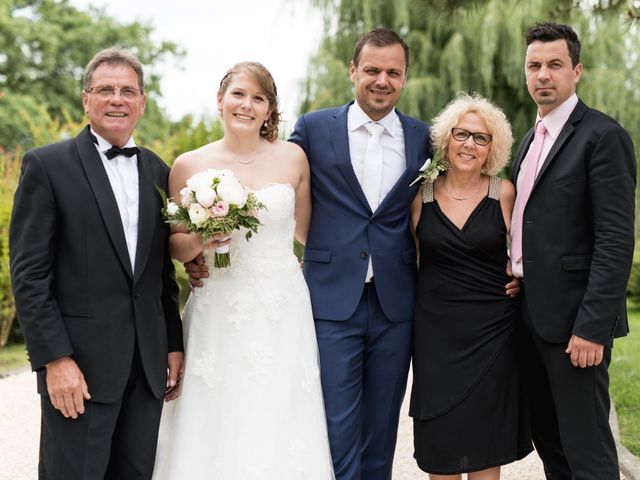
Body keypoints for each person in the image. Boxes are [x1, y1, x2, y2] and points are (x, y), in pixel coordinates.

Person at [152, 61, 335, 479]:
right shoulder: (188, 165)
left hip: (282, 308)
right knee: (217, 411)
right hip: (218, 308)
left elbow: (308, 234)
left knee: (280, 410)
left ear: (270, 110)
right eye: (238, 94)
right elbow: (174, 247)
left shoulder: (294, 158)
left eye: (259, 98)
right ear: (220, 100)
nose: (247, 105)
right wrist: (201, 242)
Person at [9, 47, 184, 479]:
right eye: (105, 90)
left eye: (128, 90)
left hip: (145, 371)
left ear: (142, 103)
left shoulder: (160, 173)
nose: (117, 99)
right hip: (79, 371)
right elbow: (29, 276)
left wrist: (173, 343)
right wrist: (55, 360)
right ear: (86, 99)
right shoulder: (46, 166)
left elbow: (161, 274)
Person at [287, 28, 431, 480]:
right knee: (334, 420)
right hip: (331, 299)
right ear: (353, 71)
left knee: (382, 424)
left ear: (404, 78)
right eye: (372, 70)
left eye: (393, 72)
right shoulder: (312, 128)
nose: (382, 80)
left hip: (396, 301)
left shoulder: (424, 138)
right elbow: (276, 186)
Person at [511, 22, 636, 479]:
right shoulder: (529, 141)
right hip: (528, 315)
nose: (544, 74)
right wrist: (517, 267)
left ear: (576, 71)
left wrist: (592, 327)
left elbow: (616, 239)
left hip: (575, 327)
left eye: (555, 65)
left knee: (588, 451)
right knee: (552, 444)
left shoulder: (603, 136)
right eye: (534, 65)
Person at [409, 93, 532, 480]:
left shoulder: (505, 192)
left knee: (484, 445)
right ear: (446, 138)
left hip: (492, 334)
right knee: (440, 448)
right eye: (462, 134)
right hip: (435, 337)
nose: (470, 144)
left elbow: (529, 254)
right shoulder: (419, 197)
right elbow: (407, 261)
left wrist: (521, 283)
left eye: (481, 138)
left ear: (492, 148)